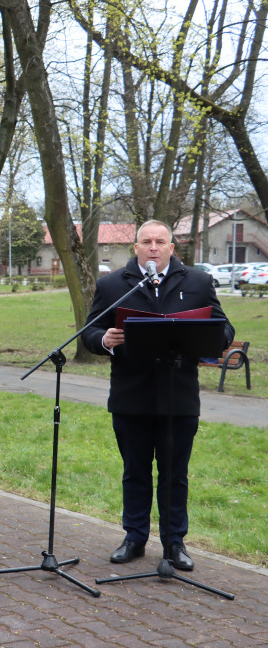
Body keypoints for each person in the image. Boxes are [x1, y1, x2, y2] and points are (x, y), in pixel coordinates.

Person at [81, 220, 234, 572]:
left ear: (170, 248)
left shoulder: (196, 281)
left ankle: (174, 542)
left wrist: (207, 336)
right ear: (135, 247)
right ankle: (134, 537)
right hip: (131, 395)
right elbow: (90, 331)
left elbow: (225, 328)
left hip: (178, 398)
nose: (153, 247)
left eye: (159, 241)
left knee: (174, 474)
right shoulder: (112, 285)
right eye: (146, 241)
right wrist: (105, 340)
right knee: (135, 471)